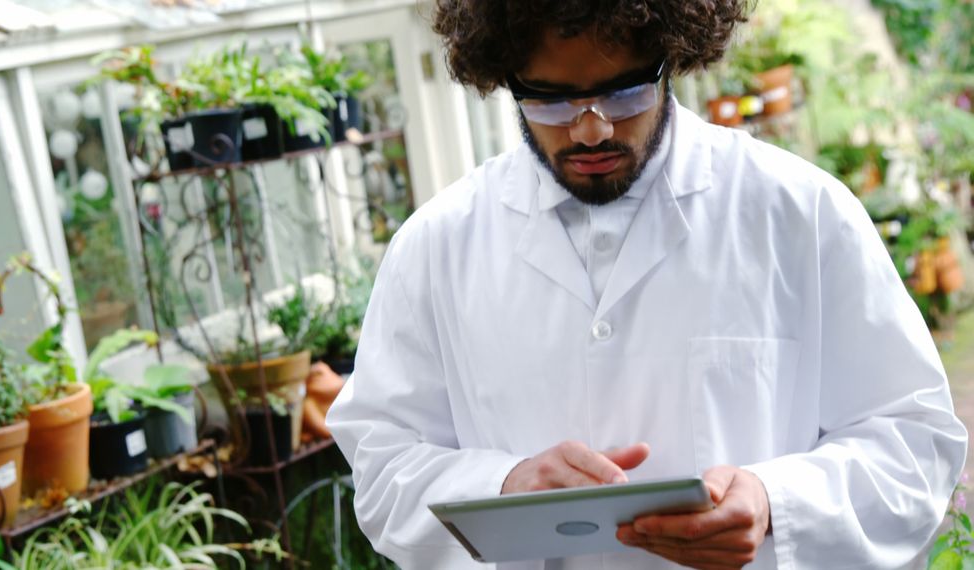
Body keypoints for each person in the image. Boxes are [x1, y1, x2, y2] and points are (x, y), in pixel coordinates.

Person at [325, 1, 968, 568]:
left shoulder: (800, 214)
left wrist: (778, 504)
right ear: (504, 76)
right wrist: (502, 484)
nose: (592, 128)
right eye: (549, 98)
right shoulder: (435, 247)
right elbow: (383, 467)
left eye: (624, 92)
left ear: (672, 56)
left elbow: (915, 440)